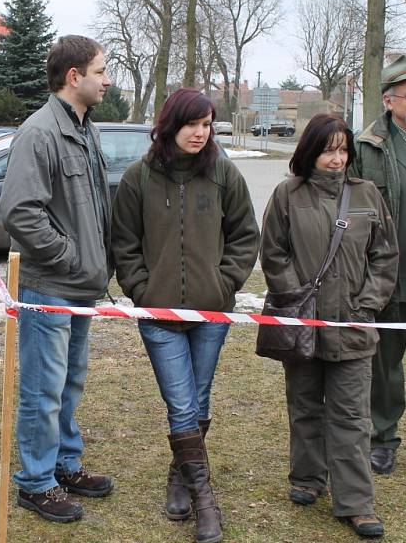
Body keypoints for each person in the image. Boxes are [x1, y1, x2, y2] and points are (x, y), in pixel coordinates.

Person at [111, 88, 259, 543]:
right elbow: (124, 242)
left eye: (208, 124)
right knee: (182, 403)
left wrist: (224, 283)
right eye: (193, 123)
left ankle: (180, 474)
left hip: (211, 313)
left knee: (199, 397)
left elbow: (244, 236)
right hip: (158, 315)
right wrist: (141, 289)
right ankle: (205, 501)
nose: (201, 132)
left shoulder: (223, 174)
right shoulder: (139, 178)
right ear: (170, 125)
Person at [261, 114, 398, 538]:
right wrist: (296, 300)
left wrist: (368, 302)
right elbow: (274, 253)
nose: (337, 159)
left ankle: (356, 502)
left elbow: (384, 255)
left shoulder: (367, 194)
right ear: (310, 152)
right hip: (303, 325)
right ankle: (306, 478)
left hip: (354, 326)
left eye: (343, 150)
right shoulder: (287, 194)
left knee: (352, 417)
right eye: (328, 150)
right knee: (304, 405)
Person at [0, 35, 114, 523]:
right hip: (51, 285)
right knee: (43, 390)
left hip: (82, 285)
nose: (107, 80)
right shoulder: (40, 132)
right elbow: (19, 212)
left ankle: (65, 464)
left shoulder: (85, 129)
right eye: (101, 71)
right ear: (74, 77)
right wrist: (69, 257)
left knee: (69, 383)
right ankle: (35, 482)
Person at [348, 55, 406, 475]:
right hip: (391, 273)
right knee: (385, 363)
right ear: (389, 101)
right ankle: (382, 438)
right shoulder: (368, 147)